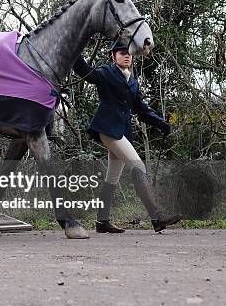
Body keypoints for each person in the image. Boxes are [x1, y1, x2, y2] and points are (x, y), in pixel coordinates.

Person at [73, 40, 182, 233]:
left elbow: (142, 110)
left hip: (122, 132)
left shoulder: (133, 81)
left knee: (112, 177)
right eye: (122, 52)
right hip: (107, 129)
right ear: (113, 56)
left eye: (129, 53)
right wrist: (73, 49)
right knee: (138, 166)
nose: (127, 55)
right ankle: (156, 217)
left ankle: (102, 221)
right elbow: (86, 72)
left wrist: (161, 123)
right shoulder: (106, 73)